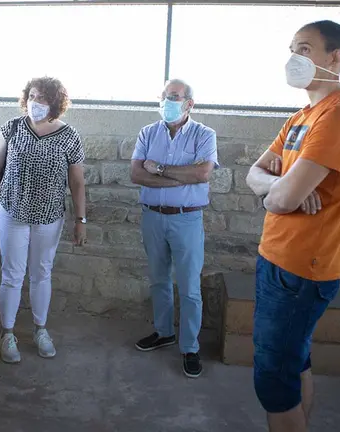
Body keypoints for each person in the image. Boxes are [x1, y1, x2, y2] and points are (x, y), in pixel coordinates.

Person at [245, 21, 340, 432]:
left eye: (304, 49)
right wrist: (284, 185)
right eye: (291, 49)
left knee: (273, 378)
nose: (293, 59)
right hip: (277, 259)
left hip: (303, 269)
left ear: (334, 57)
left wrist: (281, 190)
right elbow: (254, 175)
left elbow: (279, 199)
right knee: (293, 360)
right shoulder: (303, 116)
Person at [0, 77, 87, 364]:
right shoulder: (12, 128)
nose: (35, 102)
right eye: (32, 96)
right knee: (12, 274)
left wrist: (81, 219)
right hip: (12, 211)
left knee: (41, 273)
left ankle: (40, 330)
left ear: (54, 103)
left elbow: (77, 182)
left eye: (42, 98)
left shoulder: (69, 136)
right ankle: (7, 334)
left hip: (49, 216)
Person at [130, 79, 218, 379]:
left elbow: (203, 172)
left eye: (174, 97)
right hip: (153, 217)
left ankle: (190, 348)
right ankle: (164, 331)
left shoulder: (204, 134)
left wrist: (161, 169)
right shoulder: (147, 133)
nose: (168, 101)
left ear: (189, 103)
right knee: (159, 280)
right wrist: (181, 178)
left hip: (187, 219)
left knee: (190, 287)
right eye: (165, 96)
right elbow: (137, 174)